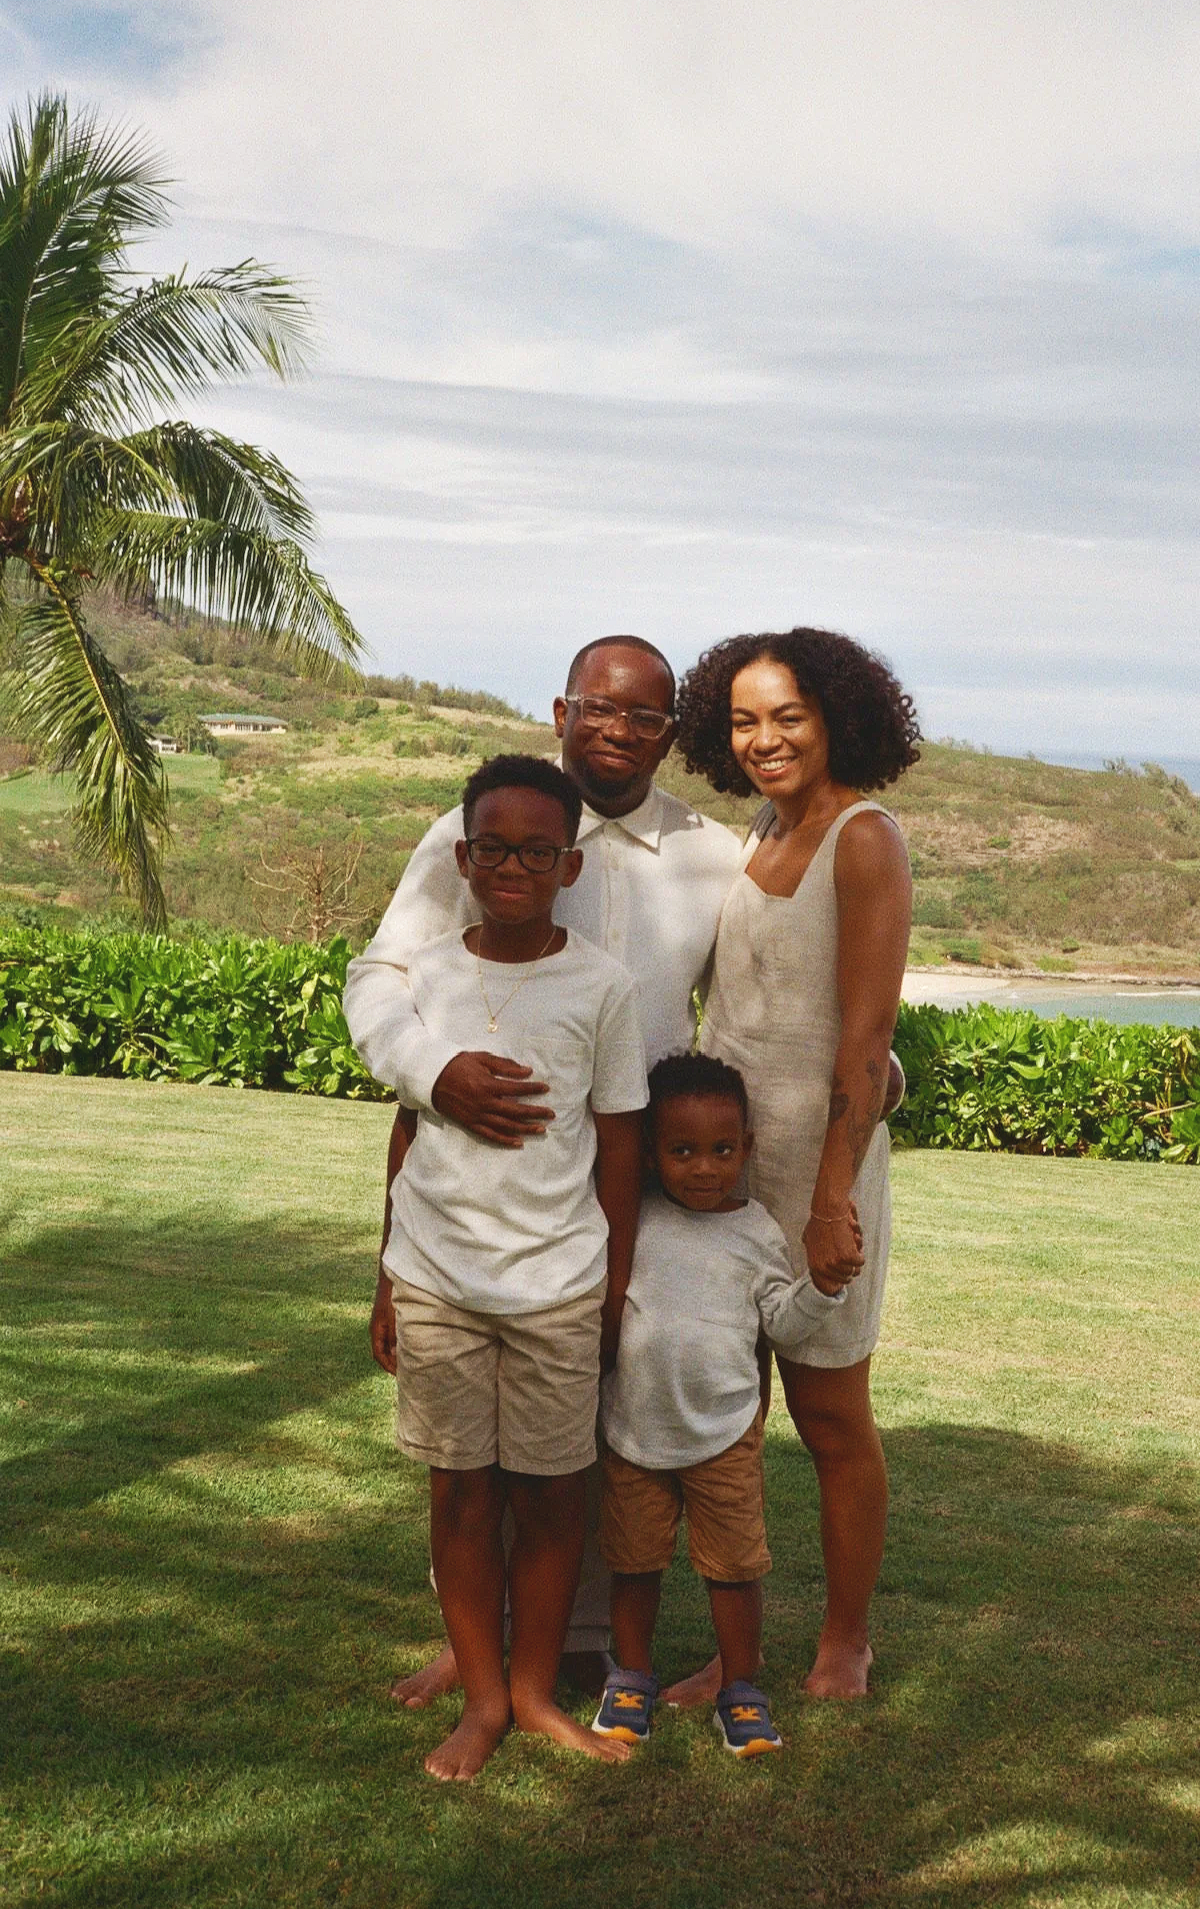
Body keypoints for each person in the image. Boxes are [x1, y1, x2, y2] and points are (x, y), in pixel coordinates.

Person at [344, 636, 744, 1707]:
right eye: (597, 709)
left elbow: (749, 999)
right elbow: (384, 976)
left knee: (603, 1429)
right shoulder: (470, 830)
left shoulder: (715, 856)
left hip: (633, 1175)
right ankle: (478, 1649)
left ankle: (588, 1647)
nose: (616, 730)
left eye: (644, 717)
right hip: (477, 1181)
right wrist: (434, 1074)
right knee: (469, 1454)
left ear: (670, 732)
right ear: (561, 709)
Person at [355, 753, 647, 1781]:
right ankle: (483, 1699)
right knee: (461, 1495)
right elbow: (407, 1130)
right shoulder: (424, 979)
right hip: (438, 1279)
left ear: (569, 866)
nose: (511, 865)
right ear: (463, 854)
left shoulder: (603, 987)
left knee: (557, 1494)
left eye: (536, 850)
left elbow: (618, 1142)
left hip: (558, 1287)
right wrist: (387, 1279)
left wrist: (611, 1290)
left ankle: (531, 1693)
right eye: (492, 847)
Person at [674, 627, 919, 1701]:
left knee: (831, 1420)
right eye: (743, 719)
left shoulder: (864, 840)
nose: (765, 738)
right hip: (723, 1181)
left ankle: (845, 1639)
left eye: (788, 715)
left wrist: (830, 1202)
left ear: (836, 718)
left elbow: (864, 1045)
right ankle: (734, 1653)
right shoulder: (757, 833)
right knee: (728, 1421)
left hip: (821, 1178)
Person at [591, 1053, 856, 1759]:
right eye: (681, 1150)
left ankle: (741, 1687)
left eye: (721, 1150)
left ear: (747, 1149)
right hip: (633, 1429)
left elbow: (783, 1323)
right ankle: (632, 1677)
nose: (703, 1168)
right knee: (634, 1563)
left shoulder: (758, 1231)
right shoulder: (634, 1216)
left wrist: (822, 1288)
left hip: (725, 1434)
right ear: (651, 1151)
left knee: (734, 1569)